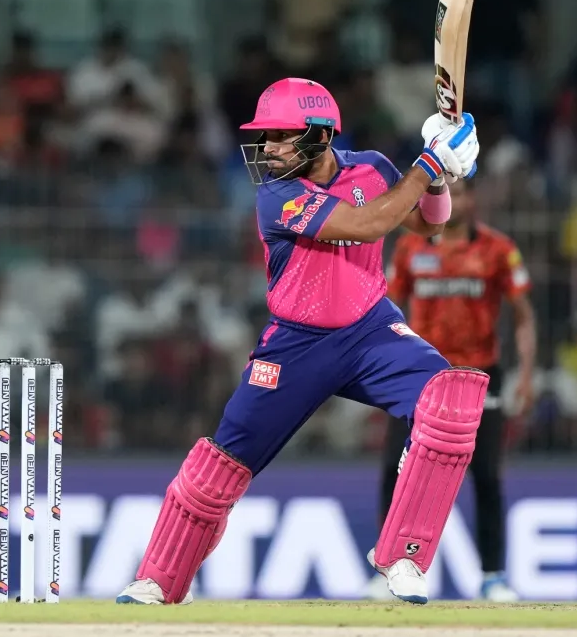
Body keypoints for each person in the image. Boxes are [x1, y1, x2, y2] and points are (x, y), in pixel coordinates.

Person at [115, 77, 481, 606]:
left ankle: (404, 555)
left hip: (370, 331)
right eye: (265, 136)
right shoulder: (277, 195)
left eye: (281, 136)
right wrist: (428, 163)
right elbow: (368, 224)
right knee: (225, 461)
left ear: (321, 135)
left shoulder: (372, 168)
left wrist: (441, 179)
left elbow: (427, 227)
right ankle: (159, 577)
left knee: (450, 399)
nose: (268, 148)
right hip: (296, 343)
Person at [371, 178, 536, 602]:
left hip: (480, 376)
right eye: (445, 193)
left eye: (459, 193)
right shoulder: (410, 247)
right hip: (420, 376)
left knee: (486, 475)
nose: (453, 200)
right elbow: (386, 310)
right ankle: (386, 568)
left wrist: (526, 374)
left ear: (471, 198)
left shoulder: (498, 249)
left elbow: (522, 314)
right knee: (395, 470)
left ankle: (493, 576)